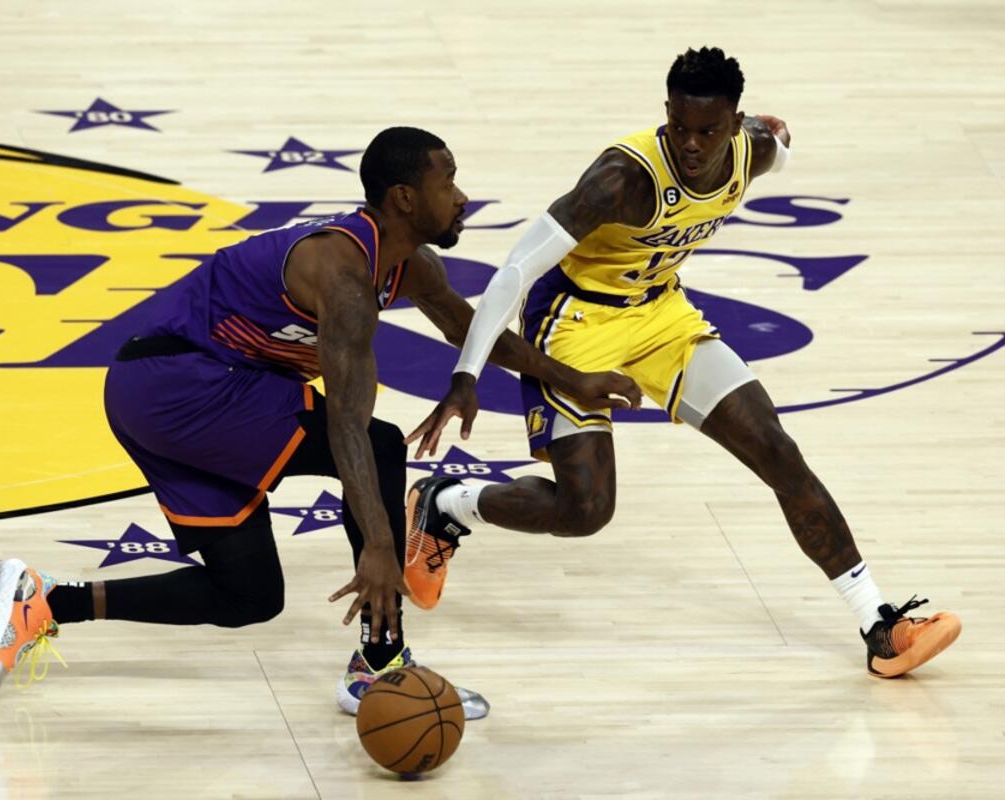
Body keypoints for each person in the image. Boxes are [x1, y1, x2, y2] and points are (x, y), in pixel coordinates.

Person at [0, 126, 640, 714]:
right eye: (449, 181)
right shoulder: (342, 275)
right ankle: (380, 661)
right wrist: (380, 549)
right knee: (379, 444)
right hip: (180, 385)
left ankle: (43, 603)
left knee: (247, 594)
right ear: (405, 198)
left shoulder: (409, 267)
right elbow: (350, 428)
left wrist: (572, 379)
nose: (462, 196)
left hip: (175, 397)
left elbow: (474, 331)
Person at [404, 48, 961, 679]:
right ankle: (448, 503)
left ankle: (879, 624)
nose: (691, 145)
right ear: (665, 112)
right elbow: (515, 270)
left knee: (778, 451)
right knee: (585, 512)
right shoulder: (622, 178)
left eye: (708, 131)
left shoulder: (752, 150)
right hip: (575, 320)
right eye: (679, 126)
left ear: (735, 123)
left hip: (660, 313)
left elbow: (776, 142)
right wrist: (466, 376)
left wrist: (779, 135)